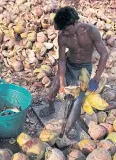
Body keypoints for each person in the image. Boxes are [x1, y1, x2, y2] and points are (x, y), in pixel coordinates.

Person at [39, 6, 109, 136]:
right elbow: (61, 61)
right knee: (53, 88)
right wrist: (61, 82)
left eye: (66, 29)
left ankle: (68, 128)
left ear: (75, 22)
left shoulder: (91, 31)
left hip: (84, 68)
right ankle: (50, 107)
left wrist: (96, 78)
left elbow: (104, 54)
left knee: (77, 100)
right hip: (69, 65)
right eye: (62, 30)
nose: (64, 33)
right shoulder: (62, 37)